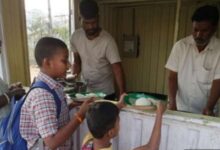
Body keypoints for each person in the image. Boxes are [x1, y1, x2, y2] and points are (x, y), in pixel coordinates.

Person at [20, 37, 94, 149]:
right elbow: (52, 142)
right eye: (64, 61)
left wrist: (69, 106)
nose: (69, 65)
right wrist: (80, 116)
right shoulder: (42, 95)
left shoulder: (52, 86)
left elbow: (52, 113)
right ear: (47, 62)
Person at [165, 5, 220, 116]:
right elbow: (172, 77)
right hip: (180, 108)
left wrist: (209, 107)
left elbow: (218, 82)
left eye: (204, 31)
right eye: (195, 30)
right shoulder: (181, 46)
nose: (198, 35)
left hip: (207, 112)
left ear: (214, 29)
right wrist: (172, 102)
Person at [70, 0, 125, 100]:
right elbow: (77, 61)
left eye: (94, 22)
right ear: (79, 19)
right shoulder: (75, 37)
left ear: (98, 18)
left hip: (106, 93)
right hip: (86, 92)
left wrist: (122, 93)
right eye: (87, 23)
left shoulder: (108, 41)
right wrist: (73, 78)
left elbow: (117, 68)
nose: (91, 26)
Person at [82, 96, 166, 150]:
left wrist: (119, 105)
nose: (119, 124)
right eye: (118, 121)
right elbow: (152, 147)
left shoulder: (88, 141)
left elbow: (99, 118)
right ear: (111, 132)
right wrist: (159, 113)